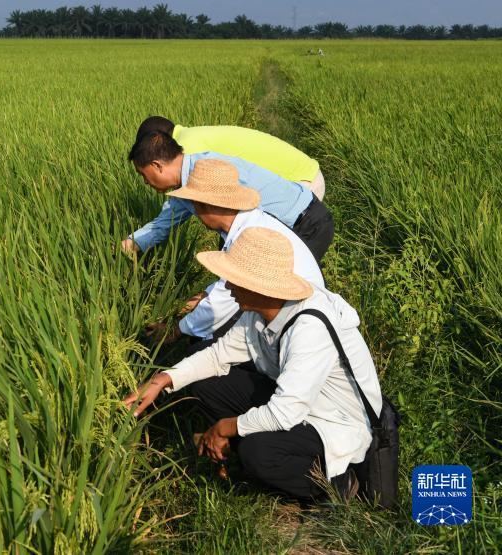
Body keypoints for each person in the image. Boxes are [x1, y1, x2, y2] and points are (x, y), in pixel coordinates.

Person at [124, 227, 383, 502]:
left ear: (260, 287)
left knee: (258, 452)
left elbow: (286, 412)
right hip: (298, 401)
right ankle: (234, 449)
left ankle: (335, 486)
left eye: (234, 280)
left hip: (332, 420)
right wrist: (162, 380)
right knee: (202, 383)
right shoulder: (260, 311)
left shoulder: (310, 327)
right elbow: (217, 356)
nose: (228, 286)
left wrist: (224, 427)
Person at [155, 159, 323, 344]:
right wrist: (191, 304)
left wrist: (175, 331)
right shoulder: (246, 225)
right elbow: (225, 286)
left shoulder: (250, 236)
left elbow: (221, 303)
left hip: (299, 322)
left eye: (195, 205)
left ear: (205, 205)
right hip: (285, 309)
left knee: (204, 344)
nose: (195, 211)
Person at [122, 131, 334, 264]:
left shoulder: (211, 172)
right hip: (287, 227)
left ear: (156, 166)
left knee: (293, 299)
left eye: (143, 175)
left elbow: (243, 227)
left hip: (304, 224)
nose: (145, 182)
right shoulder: (188, 182)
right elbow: (165, 222)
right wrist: (132, 243)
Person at [136, 116, 325, 200]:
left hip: (299, 183)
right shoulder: (191, 137)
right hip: (301, 174)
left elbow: (181, 206)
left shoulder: (188, 150)